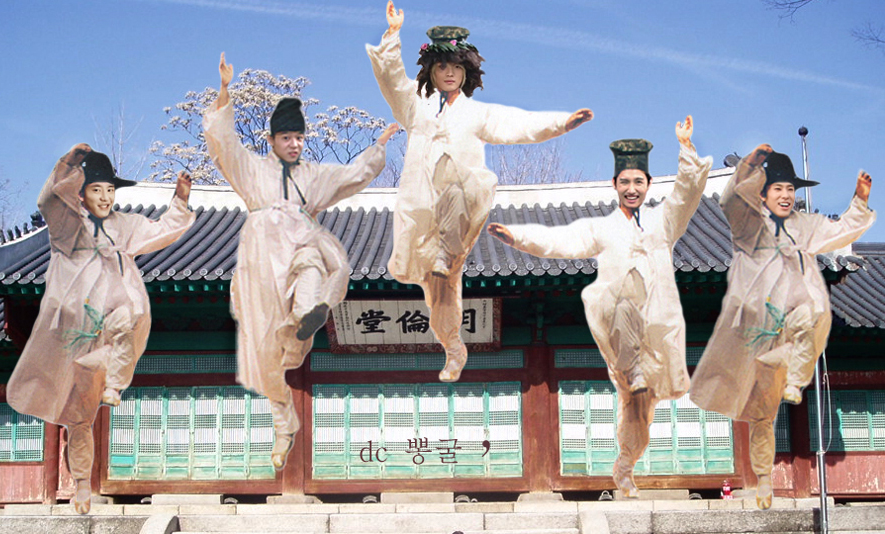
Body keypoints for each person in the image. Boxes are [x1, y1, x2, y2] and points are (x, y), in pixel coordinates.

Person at [367, 1, 594, 382]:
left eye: (457, 67)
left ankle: (447, 254)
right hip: (423, 211)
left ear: (466, 72)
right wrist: (393, 34)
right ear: (432, 70)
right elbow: (391, 80)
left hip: (462, 205)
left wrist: (561, 123)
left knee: (461, 180)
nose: (450, 73)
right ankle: (453, 346)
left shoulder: (477, 113)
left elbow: (518, 123)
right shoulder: (414, 107)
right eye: (443, 66)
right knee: (439, 295)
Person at [488, 117, 711, 498]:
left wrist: (686, 148)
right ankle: (633, 372)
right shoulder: (601, 228)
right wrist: (518, 236)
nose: (631, 188)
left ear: (648, 185)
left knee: (639, 413)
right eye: (624, 182)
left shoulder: (664, 221)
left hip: (657, 328)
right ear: (614, 185)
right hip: (620, 325)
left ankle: (625, 464)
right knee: (617, 294)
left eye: (638, 181)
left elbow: (687, 194)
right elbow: (561, 240)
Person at [203, 53, 397, 471]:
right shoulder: (250, 170)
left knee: (312, 269)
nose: (294, 143)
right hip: (261, 261)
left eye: (299, 137)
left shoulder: (313, 175)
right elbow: (223, 144)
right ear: (273, 140)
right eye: (286, 137)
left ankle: (310, 311)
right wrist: (224, 91)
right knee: (266, 355)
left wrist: (378, 147)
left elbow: (351, 176)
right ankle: (283, 425)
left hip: (302, 243)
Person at [6, 144, 195, 514]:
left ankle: (114, 384)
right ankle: (81, 484)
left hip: (113, 319)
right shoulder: (68, 224)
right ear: (81, 193)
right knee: (79, 418)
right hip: (74, 327)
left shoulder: (124, 226)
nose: (106, 197)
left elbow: (163, 230)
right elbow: (47, 200)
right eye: (97, 190)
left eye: (110, 190)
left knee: (133, 315)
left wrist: (181, 199)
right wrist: (67, 163)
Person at [689, 145, 874, 510]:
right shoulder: (749, 222)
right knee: (762, 414)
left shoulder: (805, 226)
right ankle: (763, 479)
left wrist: (860, 201)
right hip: (759, 326)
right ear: (764, 194)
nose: (786, 195)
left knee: (814, 313)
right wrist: (750, 164)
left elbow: (841, 230)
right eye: (778, 189)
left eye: (790, 189)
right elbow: (730, 199)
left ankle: (795, 380)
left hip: (796, 316)